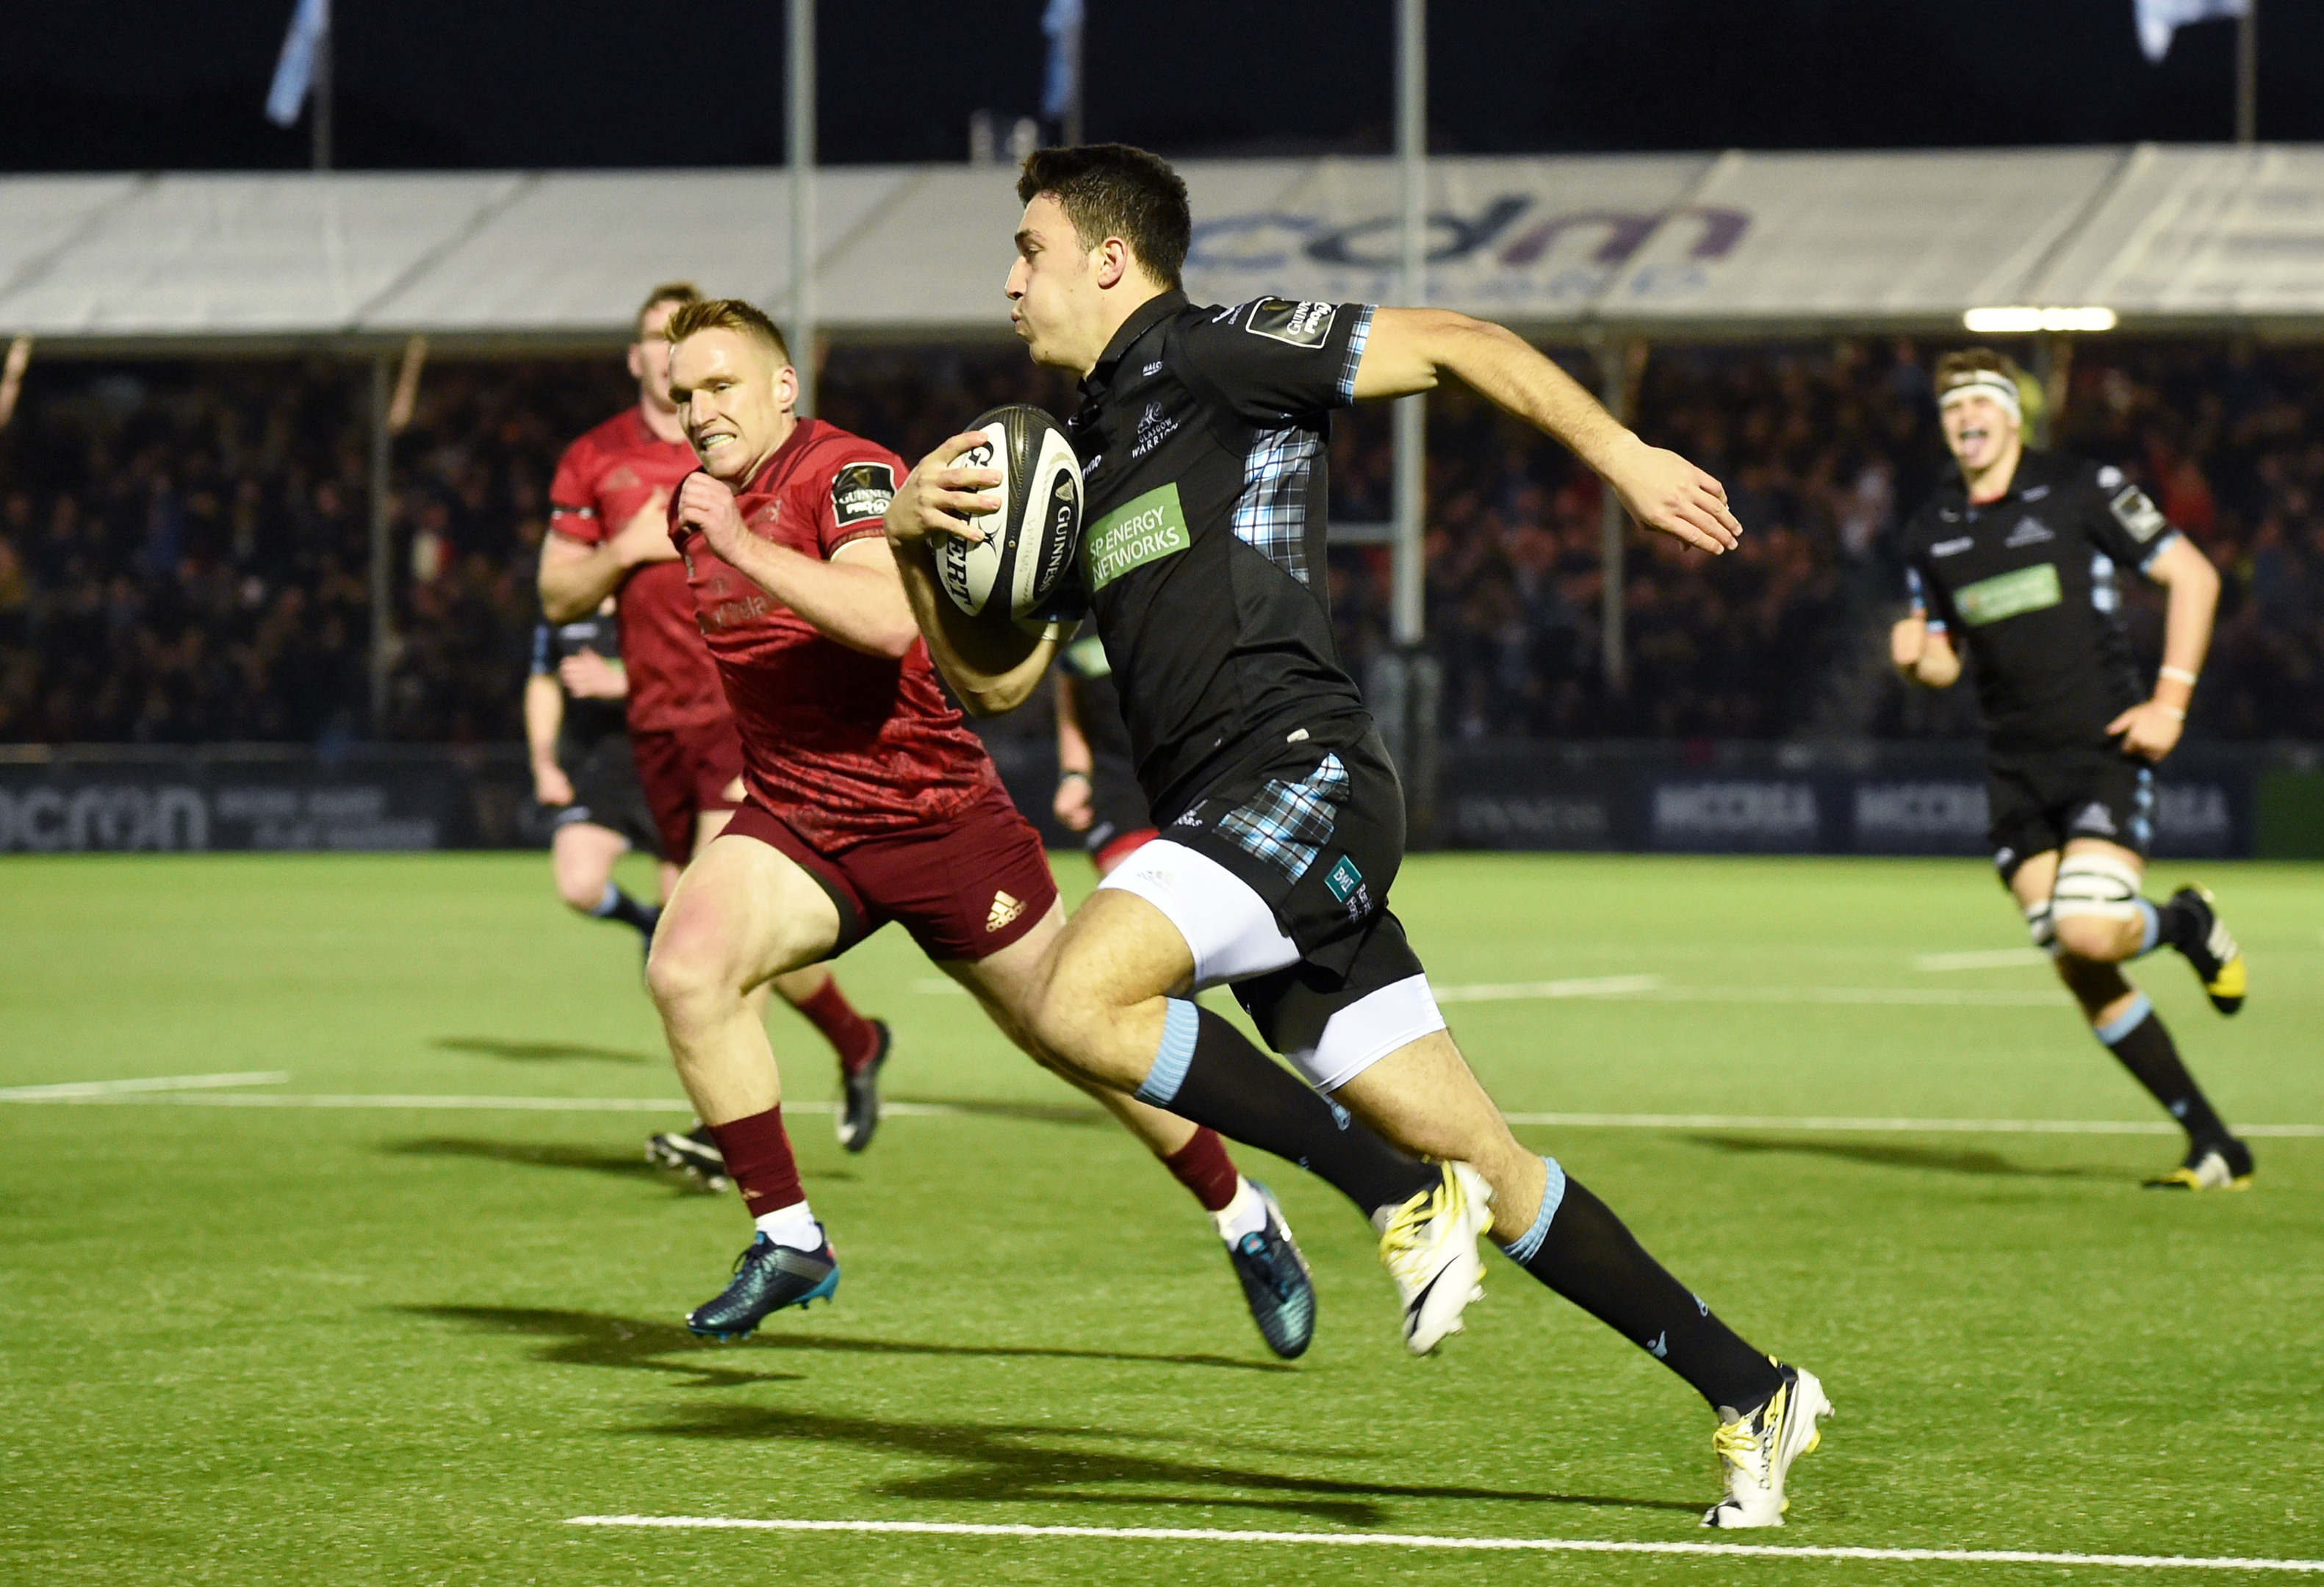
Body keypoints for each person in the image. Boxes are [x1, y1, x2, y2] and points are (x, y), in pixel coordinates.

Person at [881, 144, 1829, 1529]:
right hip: (1227, 828)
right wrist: (916, 545)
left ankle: (1390, 1194)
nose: (1007, 279)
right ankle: (1755, 1393)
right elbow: (1000, 680)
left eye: (1026, 248)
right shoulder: (1077, 457)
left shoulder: (1213, 352)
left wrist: (1622, 456)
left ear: (1106, 257)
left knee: (1077, 999)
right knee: (1499, 1174)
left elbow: (1458, 341)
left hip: (1299, 771)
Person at [641, 296, 1464, 1361]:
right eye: (684, 393)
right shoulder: (702, 506)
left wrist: (743, 542)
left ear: (781, 388)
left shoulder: (845, 474)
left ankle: (1239, 1211)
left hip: (938, 824)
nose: (700, 410)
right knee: (686, 969)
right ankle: (787, 1234)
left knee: (1078, 1039)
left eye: (721, 387)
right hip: (799, 820)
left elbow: (887, 621)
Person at [535, 282, 891, 1165]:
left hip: (740, 715)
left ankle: (726, 1135)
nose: (672, 363)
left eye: (687, 350)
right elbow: (554, 594)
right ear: (636, 357)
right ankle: (857, 1042)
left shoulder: (756, 454)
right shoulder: (596, 459)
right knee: (717, 930)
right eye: (656, 343)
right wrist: (624, 552)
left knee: (713, 931)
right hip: (651, 722)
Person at [1891, 348, 2251, 1190]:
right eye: (1951, 409)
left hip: (2099, 752)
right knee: (2076, 958)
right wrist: (1917, 661)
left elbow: (2192, 577)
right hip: (2014, 770)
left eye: (1980, 403)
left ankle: (2184, 927)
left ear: (2013, 414)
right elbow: (1944, 659)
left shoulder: (2081, 489)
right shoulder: (1931, 528)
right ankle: (2214, 1143)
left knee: (2091, 928)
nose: (1966, 420)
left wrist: (2170, 700)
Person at [524, 600, 666, 951]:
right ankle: (646, 921)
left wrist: (625, 682)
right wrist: (544, 764)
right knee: (579, 885)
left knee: (684, 927)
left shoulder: (662, 588)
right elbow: (544, 681)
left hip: (670, 763)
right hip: (597, 771)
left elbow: (703, 671)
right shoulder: (565, 601)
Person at [1053, 625, 1159, 876]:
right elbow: (1069, 710)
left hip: (1187, 775)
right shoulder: (1072, 618)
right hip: (1118, 788)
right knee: (1138, 890)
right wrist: (1074, 777)